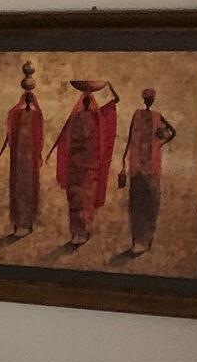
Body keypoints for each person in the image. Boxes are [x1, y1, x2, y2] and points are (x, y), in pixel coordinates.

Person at [49, 79, 120, 247]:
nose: (86, 102)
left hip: (90, 167)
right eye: (84, 100)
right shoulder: (75, 117)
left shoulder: (98, 117)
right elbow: (64, 137)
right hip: (74, 167)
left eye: (89, 100)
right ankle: (75, 232)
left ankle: (85, 231)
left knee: (86, 200)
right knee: (74, 201)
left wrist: (109, 85)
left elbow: (115, 102)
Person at [120, 87, 177, 253]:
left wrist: (161, 138)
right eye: (147, 98)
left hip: (151, 167)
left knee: (150, 204)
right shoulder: (137, 114)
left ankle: (145, 240)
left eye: (150, 98)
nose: (148, 101)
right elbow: (131, 137)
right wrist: (124, 159)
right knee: (136, 203)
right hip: (136, 165)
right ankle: (137, 240)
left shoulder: (157, 116)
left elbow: (172, 132)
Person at [0, 63, 43, 236]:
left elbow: (39, 136)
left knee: (29, 190)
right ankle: (18, 224)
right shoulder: (16, 113)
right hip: (19, 160)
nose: (29, 101)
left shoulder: (36, 114)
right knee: (18, 189)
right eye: (27, 98)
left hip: (30, 162)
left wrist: (39, 154)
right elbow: (10, 134)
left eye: (30, 98)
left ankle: (28, 223)